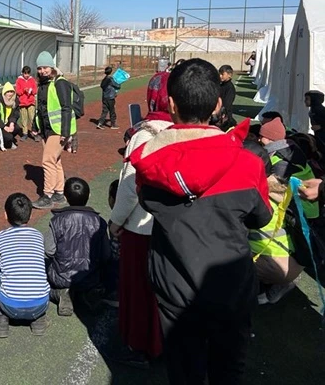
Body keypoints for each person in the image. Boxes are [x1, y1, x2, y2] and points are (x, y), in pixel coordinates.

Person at [129, 58, 272, 385]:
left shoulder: (150, 162)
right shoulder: (247, 162)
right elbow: (260, 218)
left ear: (172, 104)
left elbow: (146, 202)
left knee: (184, 372)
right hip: (231, 286)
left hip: (176, 290)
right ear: (219, 103)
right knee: (228, 371)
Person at [109, 70, 171, 360]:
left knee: (139, 288)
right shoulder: (183, 134)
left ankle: (140, 343)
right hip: (173, 228)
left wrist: (116, 222)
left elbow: (131, 188)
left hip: (141, 229)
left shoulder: (145, 136)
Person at [242, 140, 306, 305]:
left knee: (225, 259)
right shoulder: (283, 187)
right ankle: (279, 284)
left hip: (274, 264)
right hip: (296, 258)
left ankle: (256, 289)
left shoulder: (250, 195)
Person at [45, 178, 113, 316]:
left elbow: (48, 250)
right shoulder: (99, 222)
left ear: (65, 197)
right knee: (105, 268)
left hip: (61, 277)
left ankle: (61, 292)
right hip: (90, 276)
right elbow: (106, 254)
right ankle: (88, 293)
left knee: (44, 265)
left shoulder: (57, 221)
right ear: (88, 196)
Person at [0, 193, 50, 338]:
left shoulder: (0, 236)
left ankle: (0, 316)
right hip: (40, 306)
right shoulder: (38, 235)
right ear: (30, 215)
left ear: (6, 215)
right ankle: (38, 320)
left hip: (9, 307)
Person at [32, 51, 76, 209]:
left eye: (45, 67)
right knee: (55, 161)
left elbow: (66, 108)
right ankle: (59, 192)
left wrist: (66, 132)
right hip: (47, 129)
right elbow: (41, 107)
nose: (42, 71)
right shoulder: (43, 84)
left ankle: (48, 195)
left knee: (48, 161)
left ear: (51, 66)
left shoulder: (60, 82)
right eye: (39, 68)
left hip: (57, 129)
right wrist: (35, 125)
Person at [258, 117, 319, 219]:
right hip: (303, 206)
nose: (259, 139)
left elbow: (277, 188)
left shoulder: (282, 161)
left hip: (301, 210)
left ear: (270, 138)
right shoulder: (288, 151)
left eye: (261, 136)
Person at [0, 82, 22, 149]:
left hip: (8, 122)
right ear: (4, 93)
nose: (10, 94)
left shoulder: (15, 101)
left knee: (16, 128)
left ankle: (6, 140)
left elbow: (16, 113)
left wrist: (12, 123)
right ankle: (6, 142)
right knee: (8, 137)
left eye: (11, 92)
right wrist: (4, 127)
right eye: (8, 92)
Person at [16, 66, 38, 141]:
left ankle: (34, 133)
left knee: (32, 118)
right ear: (22, 73)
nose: (27, 75)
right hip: (22, 103)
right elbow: (18, 91)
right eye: (25, 73)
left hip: (31, 102)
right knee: (24, 119)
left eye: (28, 73)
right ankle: (25, 134)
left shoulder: (32, 80)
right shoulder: (19, 80)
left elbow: (35, 90)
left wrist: (31, 91)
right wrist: (23, 90)